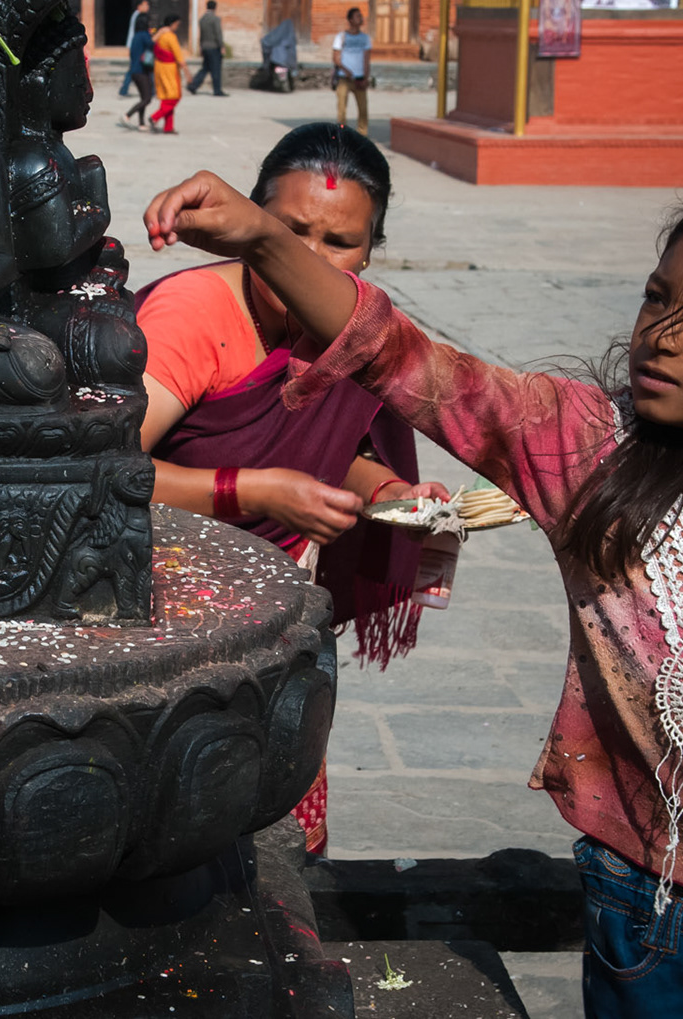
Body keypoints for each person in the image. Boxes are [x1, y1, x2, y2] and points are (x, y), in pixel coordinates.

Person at [145, 172, 683, 1018]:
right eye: (655, 299)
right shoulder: (583, 449)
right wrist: (262, 236)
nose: (662, 336)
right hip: (650, 906)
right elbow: (399, 353)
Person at [136, 125, 450, 855]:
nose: (309, 257)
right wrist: (252, 490)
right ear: (251, 221)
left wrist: (390, 491)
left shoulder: (355, 327)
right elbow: (101, 473)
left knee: (279, 829)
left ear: (370, 250)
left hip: (287, 617)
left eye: (339, 241)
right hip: (166, 613)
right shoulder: (194, 317)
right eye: (290, 229)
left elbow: (333, 452)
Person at [332, 7, 371, 136]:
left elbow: (366, 59)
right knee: (342, 110)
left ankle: (362, 134)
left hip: (359, 78)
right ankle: (342, 134)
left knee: (363, 109)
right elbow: (335, 58)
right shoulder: (341, 37)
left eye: (361, 16)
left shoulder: (365, 38)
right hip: (344, 78)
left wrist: (366, 77)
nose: (361, 19)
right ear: (350, 20)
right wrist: (345, 70)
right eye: (357, 16)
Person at [150, 13, 184, 135]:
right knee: (174, 97)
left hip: (159, 67)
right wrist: (187, 71)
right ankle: (155, 117)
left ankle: (168, 127)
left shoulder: (159, 35)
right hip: (170, 69)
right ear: (173, 24)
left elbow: (151, 42)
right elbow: (178, 56)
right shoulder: (170, 36)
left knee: (166, 97)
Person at [122, 12, 156, 128]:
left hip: (135, 70)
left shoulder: (136, 36)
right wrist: (157, 35)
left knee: (144, 98)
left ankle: (141, 123)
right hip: (141, 70)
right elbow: (152, 45)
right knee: (147, 98)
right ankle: (127, 115)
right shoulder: (144, 35)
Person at [188, 0, 226, 96]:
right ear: (215, 7)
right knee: (216, 69)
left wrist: (200, 46)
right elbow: (218, 33)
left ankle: (193, 85)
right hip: (214, 47)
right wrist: (222, 46)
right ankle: (217, 90)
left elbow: (201, 35)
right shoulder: (215, 19)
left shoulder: (202, 19)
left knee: (205, 68)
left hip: (205, 47)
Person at [117, 0, 150, 97]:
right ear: (139, 6)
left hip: (136, 44)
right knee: (133, 68)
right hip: (136, 45)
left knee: (136, 67)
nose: (147, 7)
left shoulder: (137, 15)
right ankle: (124, 89)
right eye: (145, 5)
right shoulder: (138, 16)